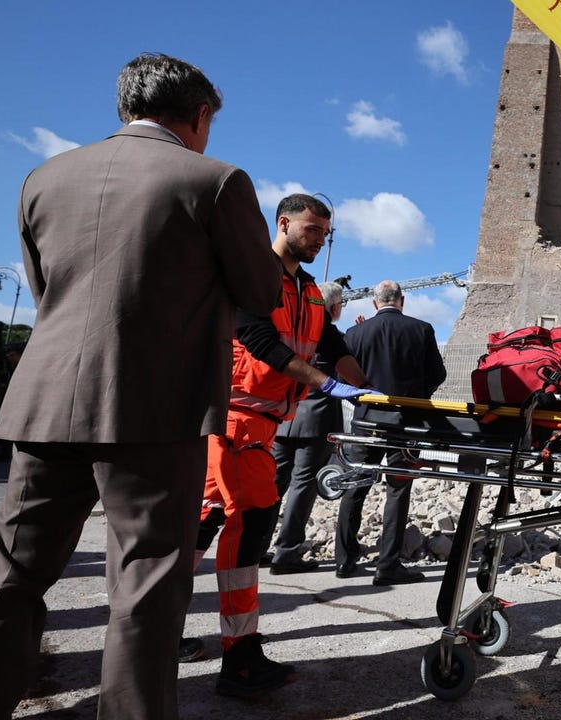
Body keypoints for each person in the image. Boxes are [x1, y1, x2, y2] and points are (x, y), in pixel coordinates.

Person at [0, 53, 282, 720]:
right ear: (200, 116)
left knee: (10, 577)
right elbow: (260, 290)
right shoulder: (215, 181)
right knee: (147, 587)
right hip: (153, 411)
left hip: (45, 403)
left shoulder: (43, 178)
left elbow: (47, 294)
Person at [191, 194, 369, 697]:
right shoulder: (253, 275)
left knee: (203, 526)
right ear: (285, 223)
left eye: (325, 233)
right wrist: (327, 385)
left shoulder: (310, 290)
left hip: (259, 429)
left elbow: (331, 345)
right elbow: (260, 342)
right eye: (313, 230)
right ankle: (238, 657)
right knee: (250, 523)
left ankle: (160, 629)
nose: (319, 240)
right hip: (231, 423)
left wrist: (370, 390)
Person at [335, 280, 446, 584]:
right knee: (398, 491)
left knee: (355, 487)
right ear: (402, 300)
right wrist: (416, 396)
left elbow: (340, 375)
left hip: (366, 422)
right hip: (406, 424)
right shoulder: (421, 330)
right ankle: (388, 565)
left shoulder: (355, 333)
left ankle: (344, 561)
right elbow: (438, 374)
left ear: (374, 303)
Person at [266, 281, 346, 574]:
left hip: (285, 417)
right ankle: (286, 553)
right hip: (317, 421)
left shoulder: (295, 329)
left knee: (273, 483)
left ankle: (257, 546)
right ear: (334, 308)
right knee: (303, 486)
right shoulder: (329, 335)